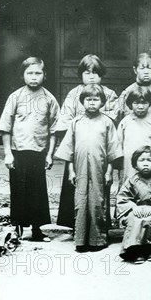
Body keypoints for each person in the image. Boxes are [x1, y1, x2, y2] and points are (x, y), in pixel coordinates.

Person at [0, 57, 60, 241]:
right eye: (30, 73)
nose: (34, 77)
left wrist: (50, 155)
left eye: (38, 73)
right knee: (18, 190)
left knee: (37, 192)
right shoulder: (15, 97)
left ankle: (37, 230)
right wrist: (8, 153)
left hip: (38, 153)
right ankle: (17, 229)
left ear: (44, 75)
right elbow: (5, 127)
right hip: (18, 152)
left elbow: (54, 130)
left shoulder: (49, 99)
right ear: (23, 75)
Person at [54, 84, 123, 251]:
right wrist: (70, 171)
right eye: (88, 100)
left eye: (96, 100)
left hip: (99, 169)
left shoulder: (107, 122)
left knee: (98, 202)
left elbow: (112, 149)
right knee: (81, 202)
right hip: (80, 169)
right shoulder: (75, 122)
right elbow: (69, 149)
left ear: (102, 102)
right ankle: (81, 240)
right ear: (82, 102)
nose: (92, 103)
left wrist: (109, 172)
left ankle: (97, 240)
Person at [55, 54, 119, 230]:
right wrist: (81, 122)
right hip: (78, 144)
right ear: (80, 74)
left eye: (95, 73)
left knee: (99, 188)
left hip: (99, 145)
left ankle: (99, 226)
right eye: (86, 72)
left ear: (102, 74)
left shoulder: (110, 94)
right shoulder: (73, 94)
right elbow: (66, 118)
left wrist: (94, 119)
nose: (91, 76)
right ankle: (75, 225)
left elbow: (112, 118)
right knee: (74, 183)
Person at [116, 146, 151, 263]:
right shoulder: (131, 180)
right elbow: (123, 198)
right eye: (141, 160)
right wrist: (134, 207)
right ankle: (136, 250)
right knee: (135, 218)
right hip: (136, 210)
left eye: (149, 160)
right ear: (135, 164)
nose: (145, 164)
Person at [117, 86, 151, 181]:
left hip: (150, 162)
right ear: (130, 104)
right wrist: (119, 165)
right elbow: (119, 145)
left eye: (144, 103)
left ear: (149, 103)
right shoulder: (125, 122)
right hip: (129, 166)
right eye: (136, 103)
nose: (140, 106)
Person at [115, 52, 151, 124]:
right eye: (142, 68)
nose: (146, 72)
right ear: (135, 70)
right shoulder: (126, 93)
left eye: (149, 68)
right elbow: (120, 121)